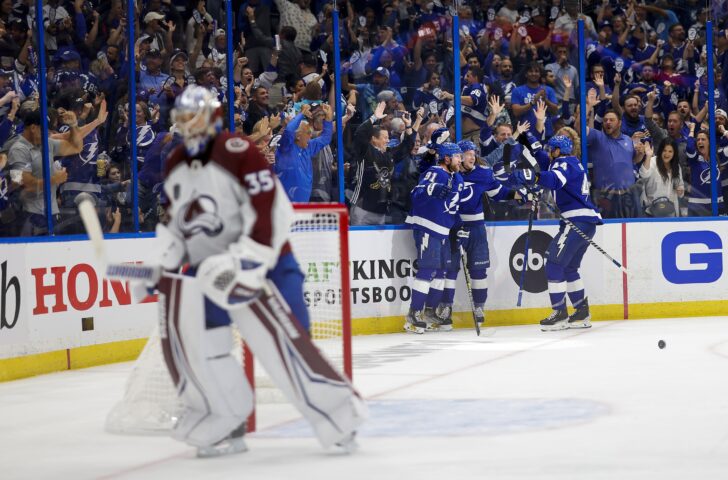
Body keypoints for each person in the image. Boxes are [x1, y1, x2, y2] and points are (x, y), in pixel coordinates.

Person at [150, 86, 365, 457]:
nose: (190, 126)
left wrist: (249, 259)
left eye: (195, 118)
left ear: (213, 119)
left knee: (293, 340)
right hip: (211, 270)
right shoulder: (176, 163)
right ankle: (226, 424)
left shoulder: (238, 151)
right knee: (208, 347)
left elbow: (267, 209)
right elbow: (178, 223)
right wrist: (168, 263)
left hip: (267, 262)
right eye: (183, 120)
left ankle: (338, 418)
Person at [509, 135, 603, 332]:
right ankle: (581, 312)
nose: (549, 152)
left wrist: (532, 176)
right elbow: (542, 157)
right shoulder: (570, 162)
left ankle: (559, 313)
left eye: (552, 149)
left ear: (558, 150)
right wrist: (529, 139)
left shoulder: (563, 164)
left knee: (553, 264)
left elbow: (554, 179)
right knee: (569, 268)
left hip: (575, 221)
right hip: (585, 222)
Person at [433, 140, 516, 328]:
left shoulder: (484, 173)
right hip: (453, 228)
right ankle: (445, 309)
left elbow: (498, 193)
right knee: (449, 270)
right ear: (458, 157)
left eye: (474, 153)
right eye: (468, 153)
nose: (473, 157)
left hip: (476, 228)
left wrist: (518, 195)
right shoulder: (447, 175)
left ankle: (479, 307)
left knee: (478, 271)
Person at [404, 142, 463, 333]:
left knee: (441, 271)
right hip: (428, 227)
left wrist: (457, 226)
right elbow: (416, 194)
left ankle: (429, 312)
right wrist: (431, 189)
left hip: (444, 230)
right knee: (428, 269)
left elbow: (453, 206)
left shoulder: (457, 177)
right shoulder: (435, 172)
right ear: (446, 158)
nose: (460, 160)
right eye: (457, 157)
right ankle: (413, 314)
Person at [274, 103, 333, 202]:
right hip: (285, 205)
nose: (310, 136)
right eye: (308, 133)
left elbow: (326, 138)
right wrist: (301, 113)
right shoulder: (286, 147)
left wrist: (328, 119)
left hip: (303, 204)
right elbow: (289, 130)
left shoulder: (308, 147)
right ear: (298, 136)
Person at [639, 138, 684, 217]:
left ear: (674, 153)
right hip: (651, 212)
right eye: (664, 150)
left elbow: (680, 186)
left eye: (670, 151)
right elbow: (644, 174)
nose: (667, 154)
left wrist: (680, 190)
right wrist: (648, 156)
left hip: (671, 212)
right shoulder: (652, 161)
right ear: (660, 151)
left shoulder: (676, 167)